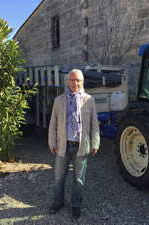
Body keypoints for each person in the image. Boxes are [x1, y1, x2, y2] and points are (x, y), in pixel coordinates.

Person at [48, 69, 100, 219]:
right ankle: (58, 202)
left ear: (82, 82)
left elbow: (94, 124)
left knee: (79, 178)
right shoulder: (59, 101)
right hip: (63, 146)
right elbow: (53, 124)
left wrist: (95, 143)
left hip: (81, 146)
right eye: (72, 80)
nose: (75, 83)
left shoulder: (89, 100)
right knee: (59, 177)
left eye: (78, 80)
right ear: (67, 81)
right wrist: (52, 143)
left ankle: (76, 205)